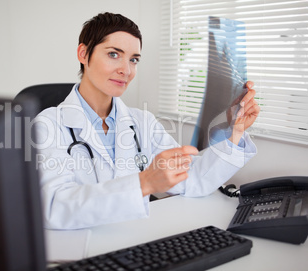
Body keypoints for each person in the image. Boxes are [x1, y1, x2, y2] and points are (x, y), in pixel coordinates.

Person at [35, 12, 260, 230]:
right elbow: (54, 205)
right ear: (83, 54)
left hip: (134, 238)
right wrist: (144, 184)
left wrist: (236, 132)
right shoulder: (48, 125)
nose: (126, 70)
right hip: (82, 247)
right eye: (114, 54)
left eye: (133, 60)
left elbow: (192, 179)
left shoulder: (142, 122)